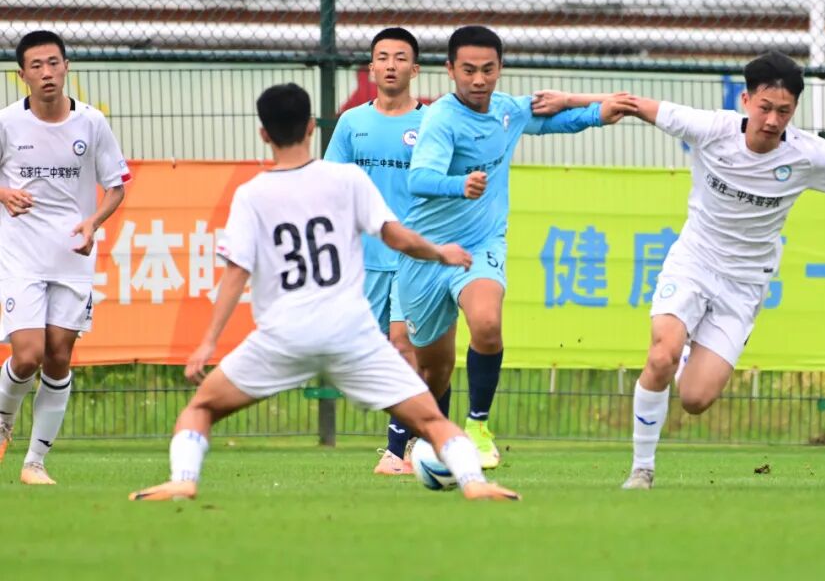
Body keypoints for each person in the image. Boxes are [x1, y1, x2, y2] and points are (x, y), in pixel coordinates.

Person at [129, 83, 518, 502]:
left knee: (201, 408)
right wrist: (440, 252)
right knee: (431, 420)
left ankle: (184, 478)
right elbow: (397, 237)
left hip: (285, 335)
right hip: (349, 333)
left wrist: (208, 342)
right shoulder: (346, 179)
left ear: (263, 134)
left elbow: (236, 272)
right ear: (312, 127)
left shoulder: (251, 195)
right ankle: (474, 482)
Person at [620, 51, 825, 490]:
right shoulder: (711, 128)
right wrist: (568, 101)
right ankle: (642, 469)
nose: (773, 120)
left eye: (784, 111)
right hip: (693, 263)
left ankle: (688, 354)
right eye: (765, 107)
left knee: (695, 399)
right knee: (660, 355)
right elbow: (633, 104)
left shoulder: (809, 154)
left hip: (744, 286)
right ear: (746, 100)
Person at [398, 25, 634, 468]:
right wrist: (459, 185)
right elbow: (419, 179)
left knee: (487, 324)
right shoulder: (441, 119)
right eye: (469, 70)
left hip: (480, 244)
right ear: (450, 70)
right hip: (428, 253)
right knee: (434, 369)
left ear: (501, 68)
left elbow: (556, 118)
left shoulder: (506, 111)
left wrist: (595, 110)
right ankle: (433, 441)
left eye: (488, 70)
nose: (479, 80)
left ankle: (478, 428)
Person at [0, 30, 130, 485]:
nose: (47, 73)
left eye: (53, 63)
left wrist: (93, 223)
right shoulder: (7, 122)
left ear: (67, 67)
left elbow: (116, 186)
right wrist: (4, 193)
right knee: (27, 354)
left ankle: (35, 463)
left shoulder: (91, 123)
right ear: (22, 75)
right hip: (20, 254)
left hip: (73, 255)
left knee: (58, 355)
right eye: (36, 66)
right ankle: (3, 420)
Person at [323, 27, 429, 475]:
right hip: (364, 259)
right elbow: (330, 186)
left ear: (414, 69)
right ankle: (420, 430)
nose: (390, 65)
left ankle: (396, 449)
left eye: (400, 58)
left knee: (406, 345)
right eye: (382, 57)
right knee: (374, 355)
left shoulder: (430, 124)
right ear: (371, 68)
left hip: (413, 256)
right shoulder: (352, 124)